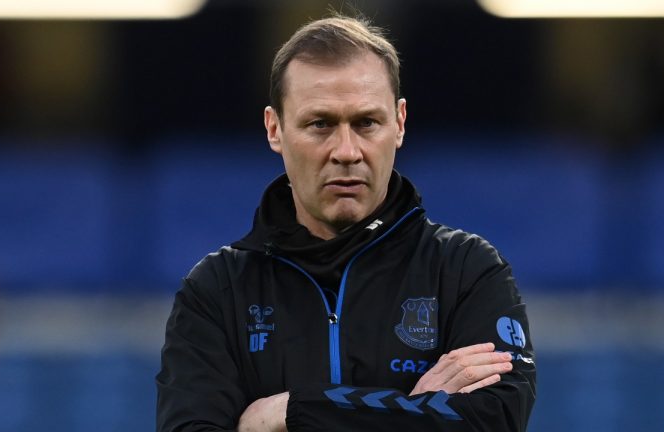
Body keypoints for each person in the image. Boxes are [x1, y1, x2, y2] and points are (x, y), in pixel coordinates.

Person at [156, 13, 535, 432]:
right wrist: (414, 411)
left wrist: (288, 412)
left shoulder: (466, 270)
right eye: (320, 125)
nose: (347, 151)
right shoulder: (217, 290)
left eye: (366, 123)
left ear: (400, 123)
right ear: (274, 128)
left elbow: (493, 421)